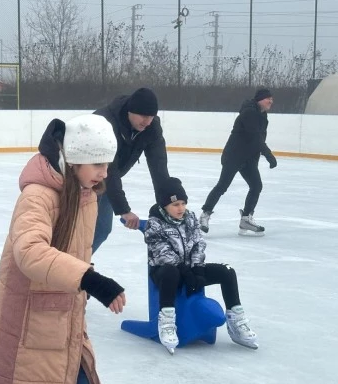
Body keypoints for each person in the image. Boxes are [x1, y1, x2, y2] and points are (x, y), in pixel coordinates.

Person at [0, 114, 127, 384]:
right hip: (28, 314)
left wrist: (84, 280)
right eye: (98, 163)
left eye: (108, 164)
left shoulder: (85, 192)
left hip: (64, 310)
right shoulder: (39, 195)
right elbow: (30, 252)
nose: (105, 172)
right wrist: (90, 279)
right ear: (73, 161)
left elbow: (72, 251)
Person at [144, 176, 258, 354]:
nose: (181, 208)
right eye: (175, 205)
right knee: (170, 272)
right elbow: (162, 253)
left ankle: (236, 321)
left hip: (190, 268)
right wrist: (185, 271)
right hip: (164, 271)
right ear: (164, 205)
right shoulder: (154, 223)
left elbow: (198, 243)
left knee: (227, 271)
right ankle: (166, 322)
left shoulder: (190, 218)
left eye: (183, 203)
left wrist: (197, 270)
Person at [91, 87, 170, 253]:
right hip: (81, 179)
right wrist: (123, 210)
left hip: (105, 182)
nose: (147, 121)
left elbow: (159, 167)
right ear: (130, 111)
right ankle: (62, 267)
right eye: (143, 116)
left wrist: (168, 203)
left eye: (151, 116)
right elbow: (109, 169)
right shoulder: (104, 122)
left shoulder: (151, 128)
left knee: (101, 229)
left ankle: (75, 266)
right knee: (76, 228)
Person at [199, 88, 277, 235]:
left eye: (272, 99)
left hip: (249, 158)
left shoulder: (263, 115)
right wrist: (268, 155)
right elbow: (255, 137)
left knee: (256, 186)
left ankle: (246, 219)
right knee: (223, 185)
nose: (271, 101)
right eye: (269, 98)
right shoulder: (249, 113)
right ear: (260, 99)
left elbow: (259, 139)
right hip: (234, 156)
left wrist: (258, 156)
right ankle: (205, 215)